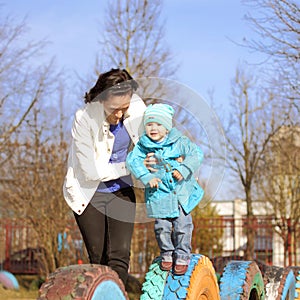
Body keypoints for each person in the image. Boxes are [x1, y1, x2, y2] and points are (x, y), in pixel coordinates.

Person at [63, 68, 146, 286]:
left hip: (122, 190)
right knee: (98, 260)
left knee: (120, 257)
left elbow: (152, 141)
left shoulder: (137, 107)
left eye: (124, 108)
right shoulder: (84, 118)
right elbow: (91, 171)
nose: (119, 115)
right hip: (89, 192)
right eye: (114, 109)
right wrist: (130, 167)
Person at [126, 103, 204, 275]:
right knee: (162, 227)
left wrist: (183, 169)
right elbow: (133, 160)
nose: (153, 128)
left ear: (167, 127)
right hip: (159, 194)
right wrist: (146, 177)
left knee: (183, 226)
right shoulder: (142, 145)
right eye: (149, 124)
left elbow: (196, 153)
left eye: (158, 124)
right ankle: (167, 253)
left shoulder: (179, 142)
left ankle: (183, 255)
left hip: (180, 193)